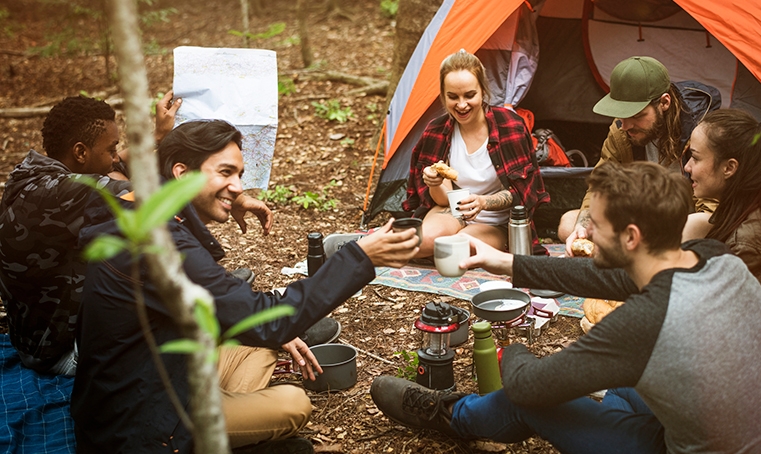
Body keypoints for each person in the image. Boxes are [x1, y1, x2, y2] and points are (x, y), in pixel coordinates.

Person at [371, 161, 761, 453]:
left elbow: (527, 388)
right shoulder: (712, 254)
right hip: (759, 436)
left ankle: (452, 416)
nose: (584, 230)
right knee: (620, 387)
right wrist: (507, 263)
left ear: (631, 237)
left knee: (529, 398)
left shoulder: (648, 322)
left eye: (594, 222)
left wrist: (514, 348)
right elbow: (616, 278)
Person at [70, 120, 420, 454]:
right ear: (181, 173)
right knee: (292, 402)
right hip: (143, 425)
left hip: (154, 372)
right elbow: (270, 320)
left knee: (266, 346)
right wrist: (361, 256)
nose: (238, 186)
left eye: (239, 175)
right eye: (225, 173)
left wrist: (224, 198)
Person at [0, 94, 268, 376]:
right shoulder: (63, 194)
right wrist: (230, 196)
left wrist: (158, 136)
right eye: (111, 148)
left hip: (35, 337)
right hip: (61, 353)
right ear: (80, 152)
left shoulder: (32, 173)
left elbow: (116, 167)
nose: (116, 157)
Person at [680, 108, 761, 401]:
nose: (687, 167)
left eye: (696, 158)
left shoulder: (755, 241)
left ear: (730, 168)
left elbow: (710, 325)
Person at [559, 56, 720, 255]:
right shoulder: (622, 129)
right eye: (622, 115)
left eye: (636, 116)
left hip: (689, 221)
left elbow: (711, 211)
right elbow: (602, 184)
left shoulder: (702, 132)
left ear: (664, 102)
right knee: (569, 224)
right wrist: (582, 226)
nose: (626, 126)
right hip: (645, 218)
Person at [402, 49, 549, 258]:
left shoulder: (510, 126)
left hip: (495, 221)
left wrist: (483, 202)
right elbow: (443, 200)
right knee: (418, 244)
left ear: (483, 91)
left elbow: (526, 192)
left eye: (469, 95)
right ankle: (366, 247)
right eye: (453, 97)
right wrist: (434, 184)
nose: (461, 105)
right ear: (443, 96)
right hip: (453, 211)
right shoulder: (436, 131)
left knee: (453, 248)